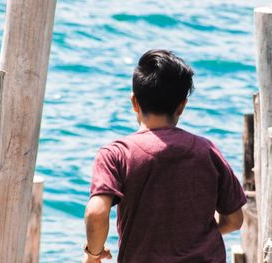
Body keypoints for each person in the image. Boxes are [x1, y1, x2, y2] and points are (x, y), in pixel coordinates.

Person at [83, 49, 247, 263]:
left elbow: (96, 214)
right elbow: (234, 220)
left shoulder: (116, 154)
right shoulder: (207, 151)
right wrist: (194, 235)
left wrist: (93, 254)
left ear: (134, 102)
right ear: (181, 106)